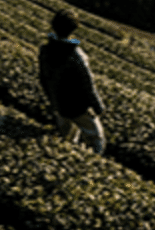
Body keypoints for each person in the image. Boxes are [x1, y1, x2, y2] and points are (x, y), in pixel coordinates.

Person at [38, 10, 106, 154]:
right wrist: (98, 107)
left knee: (66, 138)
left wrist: (52, 99)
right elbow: (88, 85)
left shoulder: (45, 50)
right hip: (78, 106)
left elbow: (43, 78)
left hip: (59, 104)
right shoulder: (77, 56)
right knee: (96, 139)